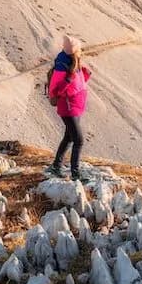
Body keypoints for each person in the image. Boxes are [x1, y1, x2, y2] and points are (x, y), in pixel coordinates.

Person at [45, 35, 92, 178]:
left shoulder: (74, 62)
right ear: (75, 50)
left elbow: (77, 85)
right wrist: (68, 80)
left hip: (75, 105)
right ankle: (75, 174)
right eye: (79, 49)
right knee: (79, 140)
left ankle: (56, 166)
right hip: (68, 107)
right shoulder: (63, 65)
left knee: (69, 137)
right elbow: (55, 88)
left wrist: (84, 75)